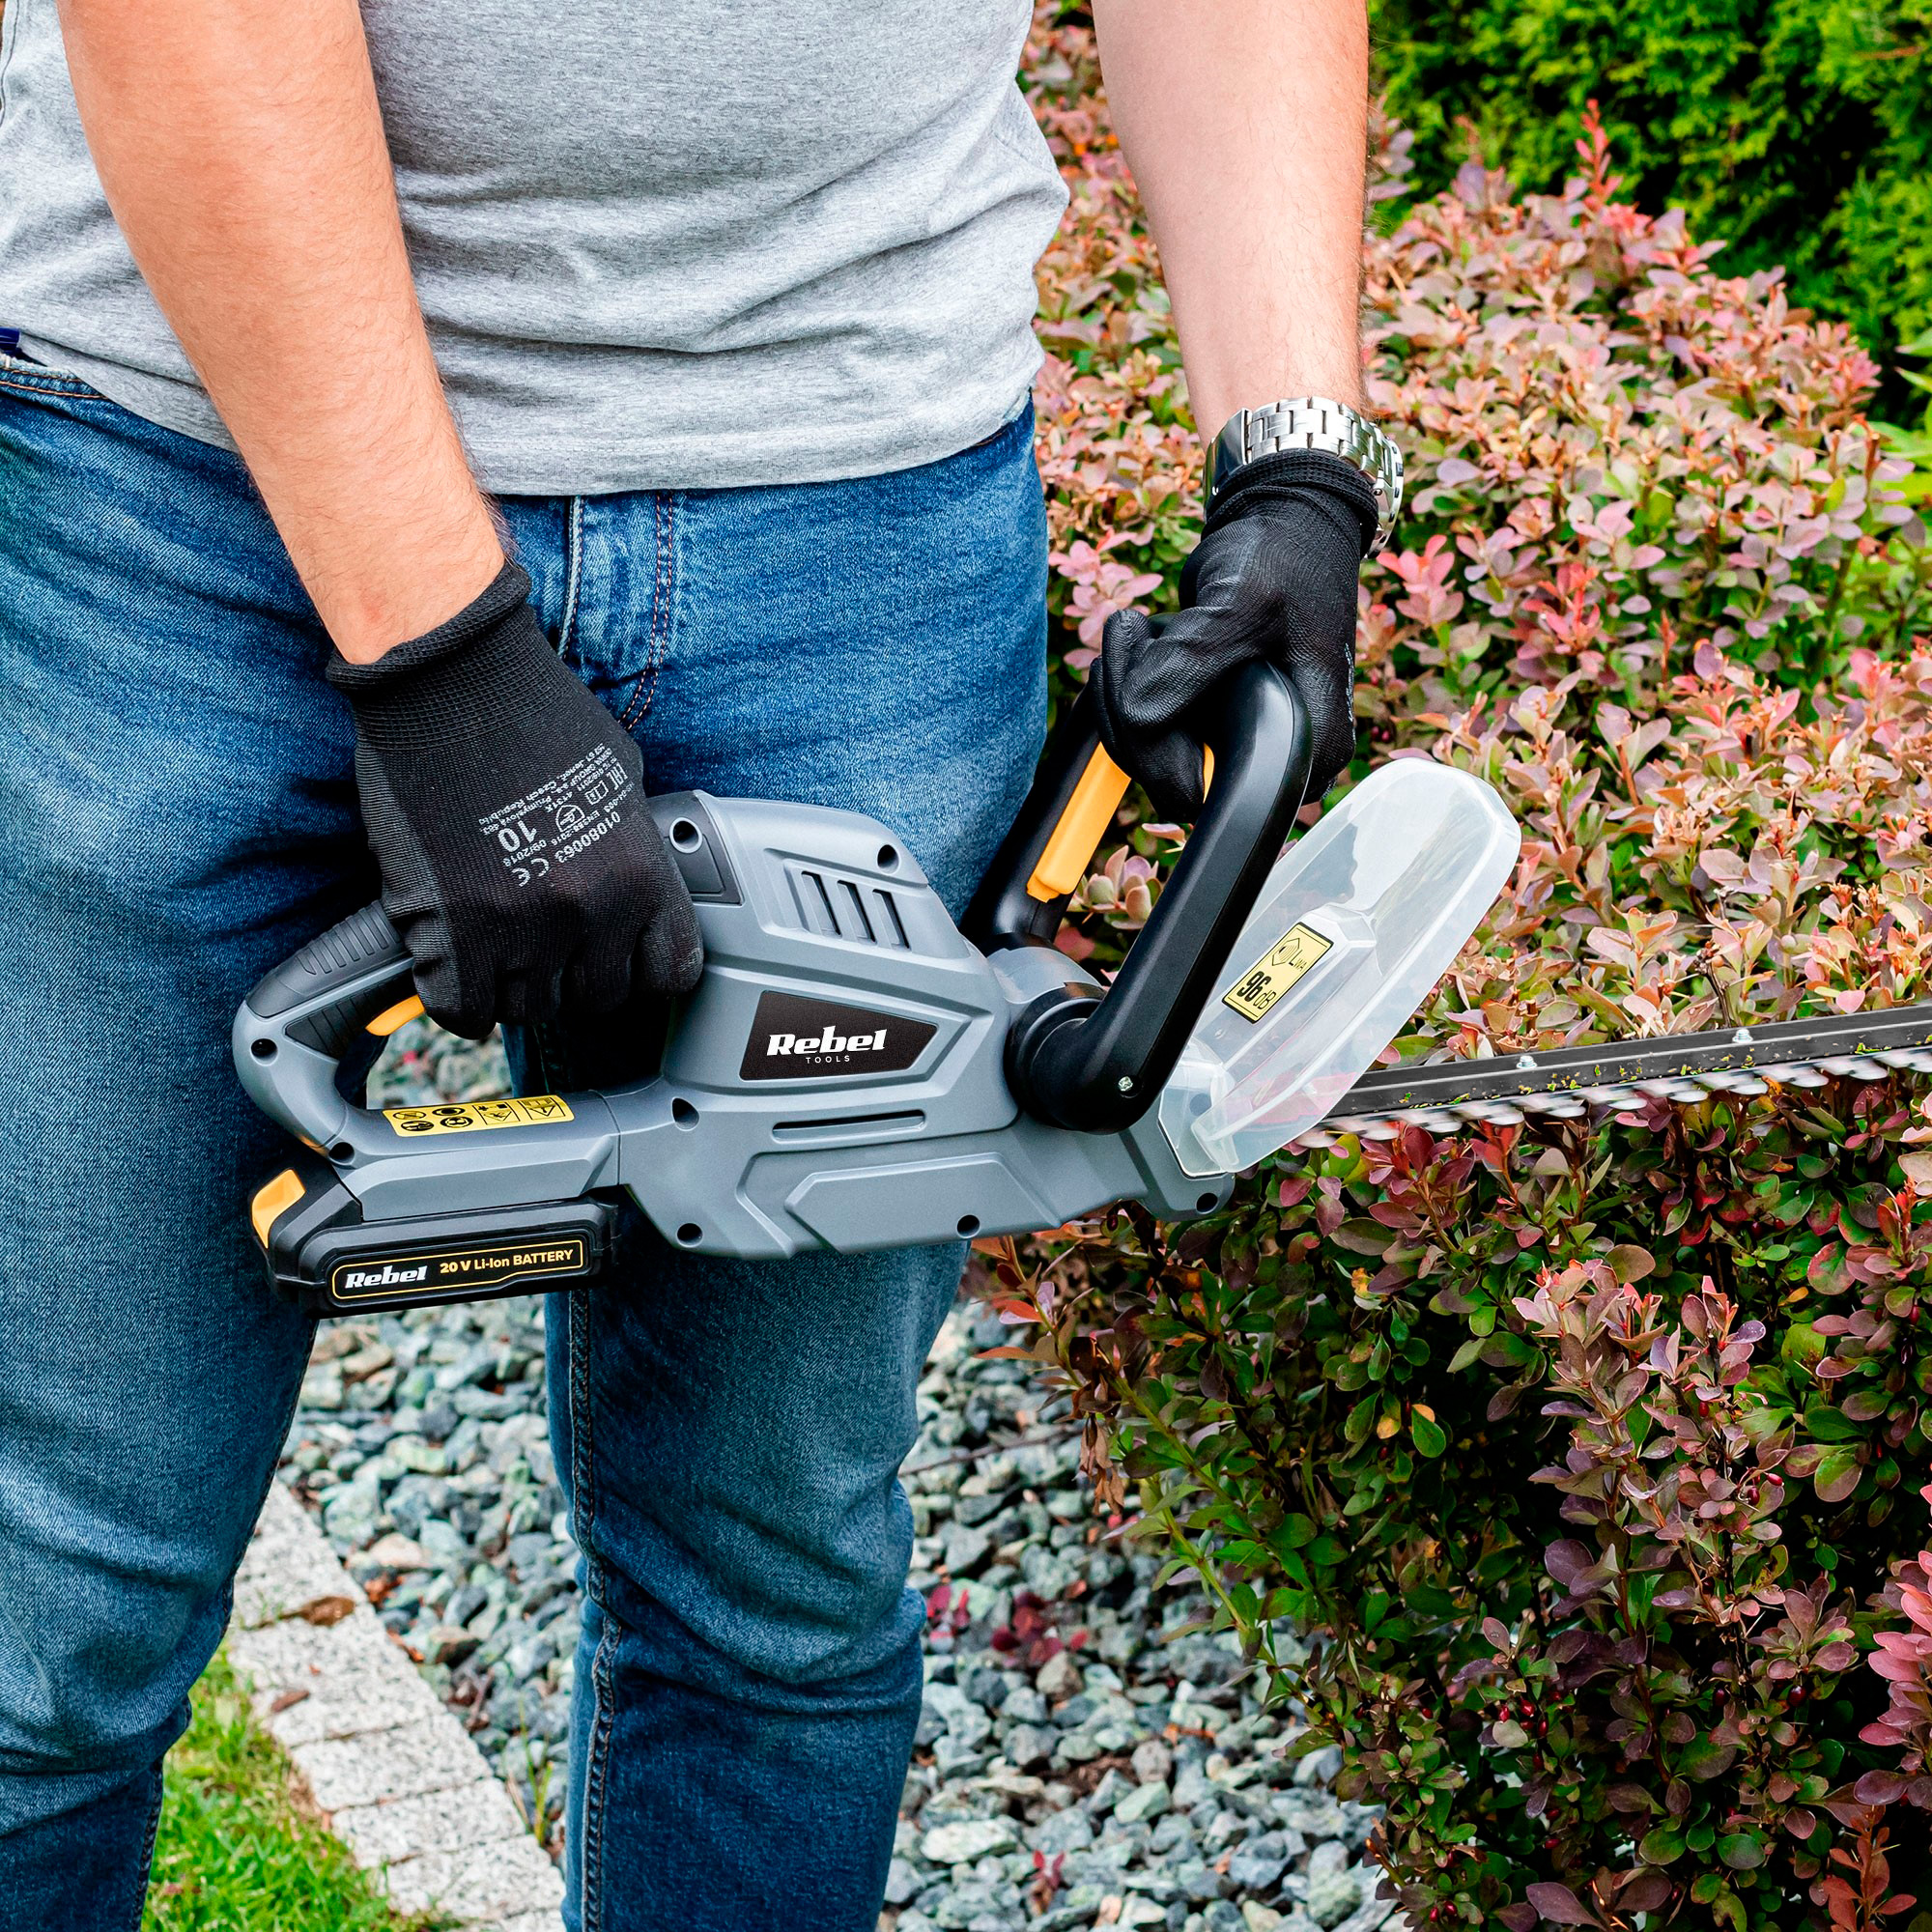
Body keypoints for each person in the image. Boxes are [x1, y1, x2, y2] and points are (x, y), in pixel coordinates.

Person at [0, 1, 1400, 1924]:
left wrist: (1297, 471)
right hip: (184, 490)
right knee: (52, 1616)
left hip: (863, 518)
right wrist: (440, 660)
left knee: (773, 1601)